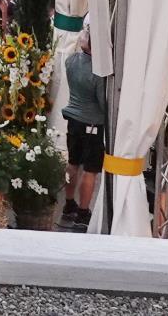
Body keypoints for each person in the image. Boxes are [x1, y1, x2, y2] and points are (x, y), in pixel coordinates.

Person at [63, 25, 108, 217]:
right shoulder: (98, 72)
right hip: (92, 123)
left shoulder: (70, 61)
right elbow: (102, 102)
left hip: (73, 119)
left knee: (73, 162)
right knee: (91, 169)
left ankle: (68, 202)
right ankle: (83, 211)